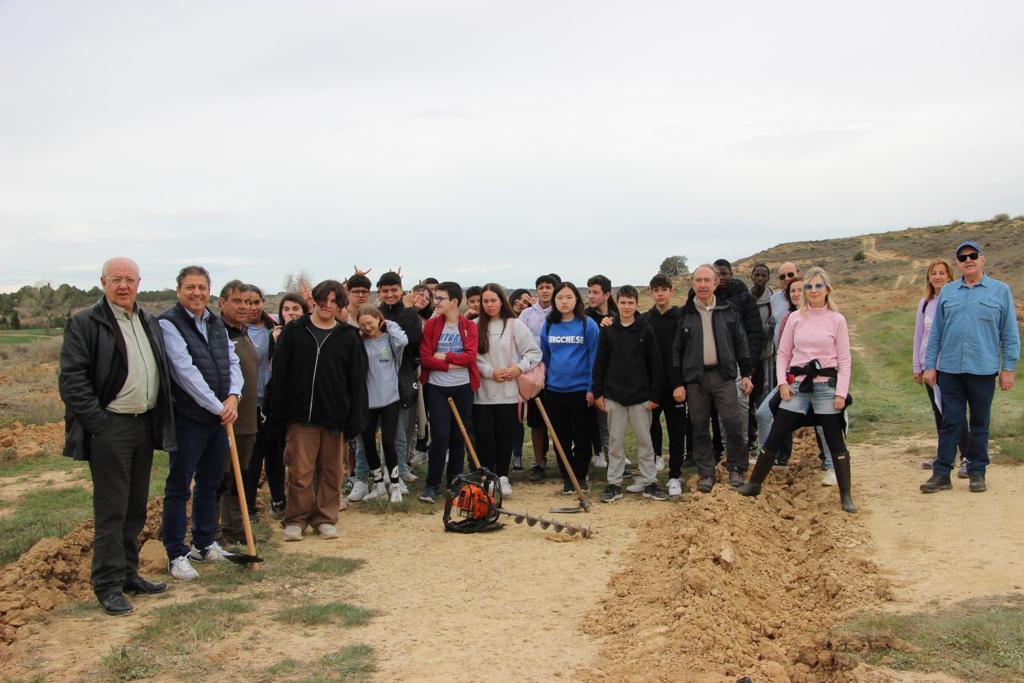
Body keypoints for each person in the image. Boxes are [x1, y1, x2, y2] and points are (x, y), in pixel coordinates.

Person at [59, 257, 176, 615]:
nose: (123, 286)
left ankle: (128, 574)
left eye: (129, 279)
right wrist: (99, 424)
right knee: (111, 510)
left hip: (144, 425)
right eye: (116, 279)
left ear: (139, 283)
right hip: (111, 427)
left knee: (135, 505)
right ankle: (107, 585)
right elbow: (72, 379)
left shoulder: (147, 320)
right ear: (103, 282)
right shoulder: (85, 322)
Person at [739, 267, 857, 513]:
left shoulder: (837, 319)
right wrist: (782, 383)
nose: (813, 291)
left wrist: (841, 393)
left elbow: (844, 359)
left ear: (827, 290)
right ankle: (754, 484)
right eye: (809, 287)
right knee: (777, 432)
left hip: (826, 385)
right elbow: (783, 354)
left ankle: (846, 496)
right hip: (797, 385)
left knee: (835, 439)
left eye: (818, 286)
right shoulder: (794, 318)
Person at [159, 265, 243, 580]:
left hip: (219, 418)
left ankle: (204, 543)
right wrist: (217, 406)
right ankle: (176, 553)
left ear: (209, 290)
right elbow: (184, 371)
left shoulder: (216, 324)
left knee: (210, 483)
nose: (197, 293)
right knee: (179, 486)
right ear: (179, 290)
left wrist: (234, 396)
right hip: (189, 418)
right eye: (190, 287)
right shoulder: (169, 323)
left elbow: (232, 362)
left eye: (202, 287)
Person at [267, 280, 368, 540]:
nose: (328, 305)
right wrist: (276, 411)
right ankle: (296, 519)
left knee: (332, 471)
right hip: (300, 416)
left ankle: (325, 518)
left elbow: (356, 379)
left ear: (340, 305)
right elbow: (279, 373)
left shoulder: (348, 336)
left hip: (335, 416)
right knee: (300, 471)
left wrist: (355, 417)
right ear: (315, 299)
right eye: (324, 299)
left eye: (335, 301)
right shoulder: (295, 331)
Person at [921, 241, 1019, 494]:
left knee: (979, 423)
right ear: (958, 264)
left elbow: (1009, 334)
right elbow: (936, 335)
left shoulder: (1000, 291)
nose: (968, 260)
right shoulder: (949, 292)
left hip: (983, 369)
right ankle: (941, 474)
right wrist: (930, 366)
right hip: (950, 370)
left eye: (973, 256)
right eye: (963, 258)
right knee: (950, 422)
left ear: (982, 260)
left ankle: (977, 472)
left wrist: (1008, 368)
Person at [671, 265, 753, 493]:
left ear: (716, 283)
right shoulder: (684, 314)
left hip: (724, 376)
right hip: (695, 379)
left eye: (707, 280)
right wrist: (678, 382)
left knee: (733, 424)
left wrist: (746, 374)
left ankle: (736, 469)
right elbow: (676, 351)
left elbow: (741, 343)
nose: (703, 284)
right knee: (699, 428)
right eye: (698, 280)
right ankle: (706, 473)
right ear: (693, 284)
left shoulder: (729, 310)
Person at [593, 285, 665, 502]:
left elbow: (656, 363)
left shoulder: (645, 328)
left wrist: (655, 395)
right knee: (614, 442)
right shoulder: (608, 329)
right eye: (623, 302)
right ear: (618, 303)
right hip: (614, 395)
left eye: (630, 303)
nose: (626, 307)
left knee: (645, 441)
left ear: (637, 304)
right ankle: (614, 483)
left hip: (641, 396)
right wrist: (598, 393)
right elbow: (600, 364)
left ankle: (649, 481)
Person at [473, 284, 542, 496]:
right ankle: (487, 477)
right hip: (482, 393)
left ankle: (502, 477)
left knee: (504, 436)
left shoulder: (515, 325)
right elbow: (472, 358)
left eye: (493, 300)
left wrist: (518, 369)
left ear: (501, 301)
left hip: (508, 392)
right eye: (485, 301)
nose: (489, 304)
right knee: (484, 437)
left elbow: (533, 352)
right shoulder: (474, 326)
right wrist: (489, 372)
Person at [418, 281, 479, 503]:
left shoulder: (469, 326)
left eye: (440, 298)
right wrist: (451, 363)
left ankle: (455, 480)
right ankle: (431, 484)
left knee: (458, 435)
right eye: (436, 298)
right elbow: (426, 358)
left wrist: (444, 357)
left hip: (462, 387)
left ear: (454, 302)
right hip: (437, 388)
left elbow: (470, 358)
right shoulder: (432, 326)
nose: (437, 302)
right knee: (440, 435)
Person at [540, 281, 600, 494]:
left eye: (569, 297)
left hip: (582, 390)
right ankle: (567, 477)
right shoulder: (548, 325)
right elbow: (545, 356)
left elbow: (595, 357)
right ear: (554, 301)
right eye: (560, 298)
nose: (564, 302)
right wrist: (545, 383)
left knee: (582, 436)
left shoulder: (588, 324)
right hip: (555, 390)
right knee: (560, 438)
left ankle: (581, 476)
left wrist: (592, 388)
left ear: (576, 300)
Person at [913, 259, 970, 476]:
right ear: (928, 277)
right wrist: (918, 366)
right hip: (929, 367)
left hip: (948, 366)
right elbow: (919, 336)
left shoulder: (955, 300)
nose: (937, 277)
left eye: (941, 273)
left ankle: (967, 456)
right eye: (933, 273)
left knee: (954, 413)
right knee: (939, 412)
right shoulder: (925, 304)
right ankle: (944, 455)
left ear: (949, 276)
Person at [216, 281, 260, 545]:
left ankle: (235, 530)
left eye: (247, 301)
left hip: (248, 418)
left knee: (240, 477)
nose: (243, 307)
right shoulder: (218, 334)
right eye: (237, 301)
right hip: (226, 419)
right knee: (220, 478)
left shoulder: (245, 333)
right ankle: (212, 534)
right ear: (222, 303)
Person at [355, 303, 409, 502]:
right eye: (362, 325)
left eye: (370, 322)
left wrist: (390, 324)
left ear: (378, 319)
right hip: (368, 401)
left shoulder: (390, 340)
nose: (367, 327)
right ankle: (377, 483)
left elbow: (403, 341)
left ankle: (394, 484)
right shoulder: (360, 342)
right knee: (368, 442)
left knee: (388, 442)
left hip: (390, 398)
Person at [376, 270, 424, 486]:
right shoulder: (376, 313)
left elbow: (413, 340)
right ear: (379, 292)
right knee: (386, 429)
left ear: (401, 290)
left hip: (405, 374)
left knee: (403, 427)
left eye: (393, 290)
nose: (389, 294)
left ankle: (401, 469)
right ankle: (388, 469)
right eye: (385, 291)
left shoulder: (410, 314)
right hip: (379, 375)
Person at [644, 273, 689, 497]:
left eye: (664, 289)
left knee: (677, 431)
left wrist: (681, 383)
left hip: (676, 386)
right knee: (651, 428)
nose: (660, 294)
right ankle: (654, 462)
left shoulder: (680, 317)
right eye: (656, 289)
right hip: (653, 386)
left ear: (671, 291)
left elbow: (687, 352)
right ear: (651, 292)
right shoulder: (645, 319)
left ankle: (674, 476)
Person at [520, 273, 559, 481]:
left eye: (548, 287)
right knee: (536, 421)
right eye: (541, 287)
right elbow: (519, 339)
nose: (545, 290)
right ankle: (538, 462)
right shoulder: (526, 314)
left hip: (557, 373)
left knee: (559, 420)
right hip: (534, 374)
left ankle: (563, 460)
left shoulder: (561, 312)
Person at [585, 275, 617, 469]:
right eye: (589, 292)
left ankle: (611, 452)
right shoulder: (585, 317)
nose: (591, 296)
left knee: (609, 419)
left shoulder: (616, 316)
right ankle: (598, 451)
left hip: (611, 374)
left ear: (606, 294)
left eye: (595, 292)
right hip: (590, 374)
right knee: (592, 418)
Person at [749, 263, 775, 446]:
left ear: (768, 278)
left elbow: (772, 329)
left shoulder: (773, 301)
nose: (759, 278)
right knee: (747, 398)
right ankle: (751, 438)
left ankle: (766, 442)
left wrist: (754, 328)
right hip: (748, 356)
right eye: (756, 275)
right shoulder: (746, 298)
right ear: (751, 276)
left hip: (765, 355)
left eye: (763, 275)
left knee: (764, 398)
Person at [771, 261, 801, 340]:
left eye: (790, 274)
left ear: (798, 274)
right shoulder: (774, 299)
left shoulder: (808, 296)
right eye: (782, 276)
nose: (786, 278)